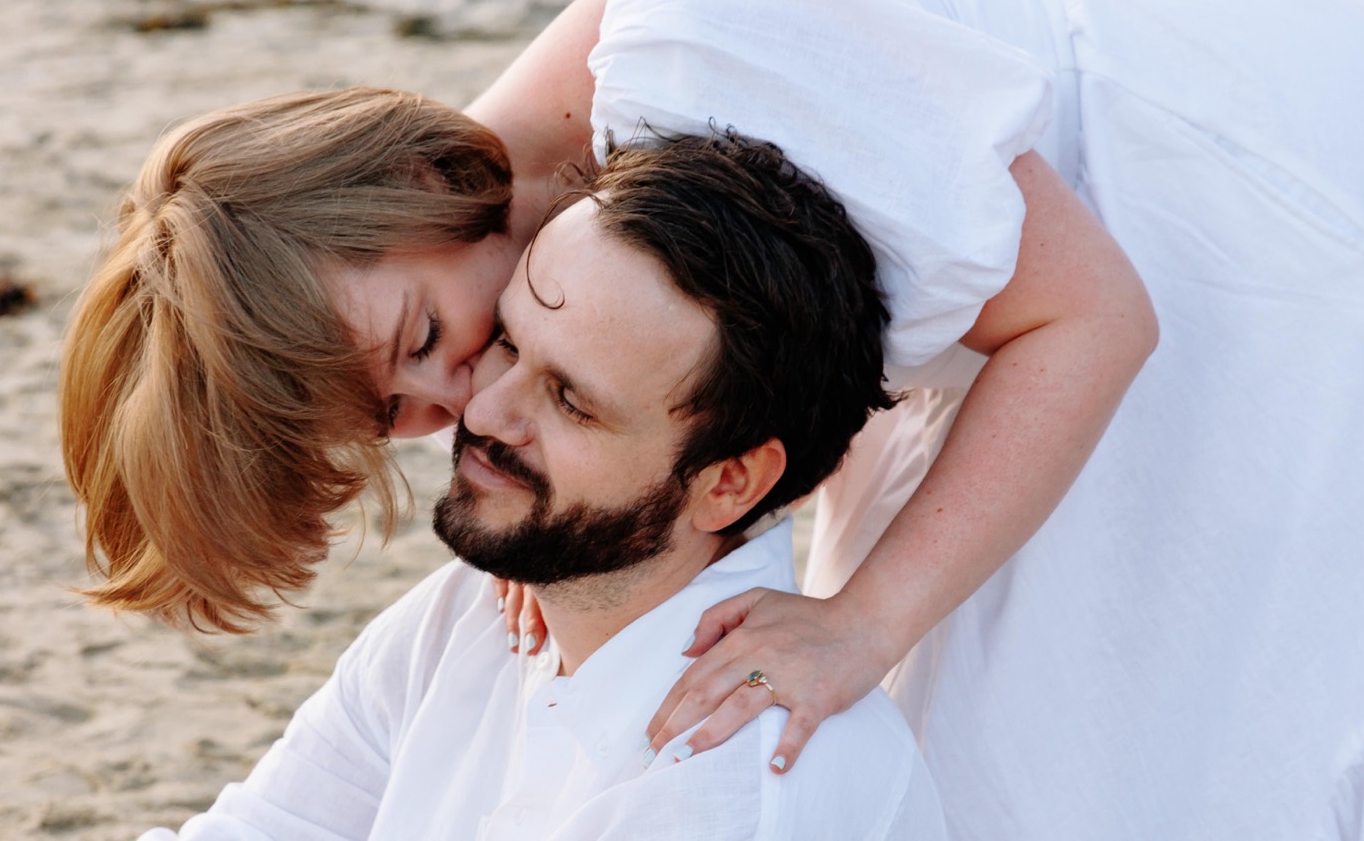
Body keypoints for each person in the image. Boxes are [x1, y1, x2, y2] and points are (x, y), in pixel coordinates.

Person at [62, 0, 1364, 839]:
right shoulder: (503, 244)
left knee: (1183, 699)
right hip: (1002, 306)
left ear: (424, 179)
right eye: (397, 413)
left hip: (1208, 216)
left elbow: (1090, 319)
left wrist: (866, 615)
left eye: (429, 345)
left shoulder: (697, 59)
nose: (458, 402)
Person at [137, 133, 943, 840]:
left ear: (728, 482)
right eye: (509, 342)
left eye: (569, 401)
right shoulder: (466, 616)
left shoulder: (740, 775)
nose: (482, 409)